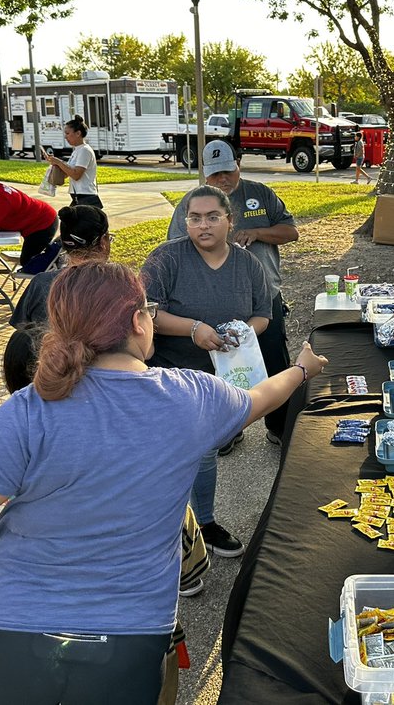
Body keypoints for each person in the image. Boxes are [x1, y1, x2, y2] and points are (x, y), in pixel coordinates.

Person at [0, 261, 327, 705]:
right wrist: (302, 369)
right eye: (149, 310)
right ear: (137, 320)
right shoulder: (191, 397)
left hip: (5, 633)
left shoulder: (29, 408)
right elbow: (258, 399)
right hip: (126, 639)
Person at [0, 320, 212, 701]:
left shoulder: (13, 438)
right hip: (132, 625)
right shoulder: (132, 445)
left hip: (40, 626)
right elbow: (185, 555)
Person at [149, 185, 273, 557]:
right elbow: (147, 313)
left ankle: (202, 524)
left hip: (223, 379)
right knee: (182, 454)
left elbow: (262, 315)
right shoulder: (166, 259)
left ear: (229, 221)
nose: (203, 225)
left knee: (204, 451)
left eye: (213, 217)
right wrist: (193, 328)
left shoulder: (248, 263)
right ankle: (170, 533)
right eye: (195, 217)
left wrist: (242, 333)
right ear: (185, 221)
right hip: (171, 375)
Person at [167, 141, 299, 448]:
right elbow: (176, 248)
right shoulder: (192, 204)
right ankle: (227, 430)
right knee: (217, 368)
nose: (222, 180)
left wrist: (257, 233)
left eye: (228, 171)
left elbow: (291, 231)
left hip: (264, 296)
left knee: (273, 360)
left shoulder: (260, 194)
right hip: (212, 301)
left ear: (238, 163)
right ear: (204, 173)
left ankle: (279, 426)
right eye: (214, 175)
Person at [10, 204, 110, 329]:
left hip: (46, 348)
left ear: (63, 242)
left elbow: (21, 327)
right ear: (102, 242)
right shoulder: (122, 284)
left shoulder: (41, 283)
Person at [44, 116, 103, 208]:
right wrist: (54, 163)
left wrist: (59, 162)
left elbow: (76, 175)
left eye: (67, 133)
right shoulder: (77, 150)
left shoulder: (84, 150)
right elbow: (67, 174)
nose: (65, 136)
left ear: (78, 133)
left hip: (86, 196)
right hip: (77, 196)